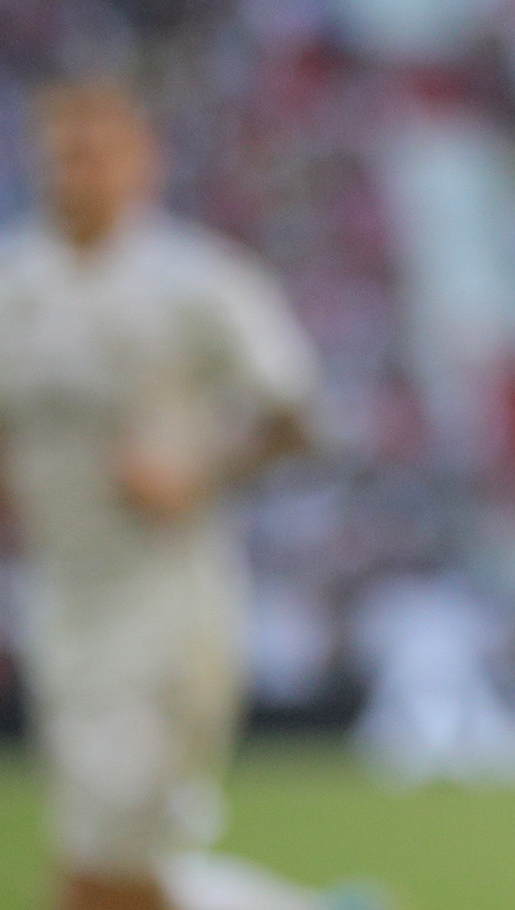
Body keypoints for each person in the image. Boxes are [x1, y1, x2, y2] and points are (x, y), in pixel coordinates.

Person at [0, 81, 334, 910]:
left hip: (166, 599)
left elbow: (299, 415)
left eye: (92, 153)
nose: (72, 173)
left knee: (102, 864)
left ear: (141, 162)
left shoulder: (197, 281)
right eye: (58, 155)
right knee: (116, 868)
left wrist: (197, 472)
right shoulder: (16, 287)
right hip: (61, 599)